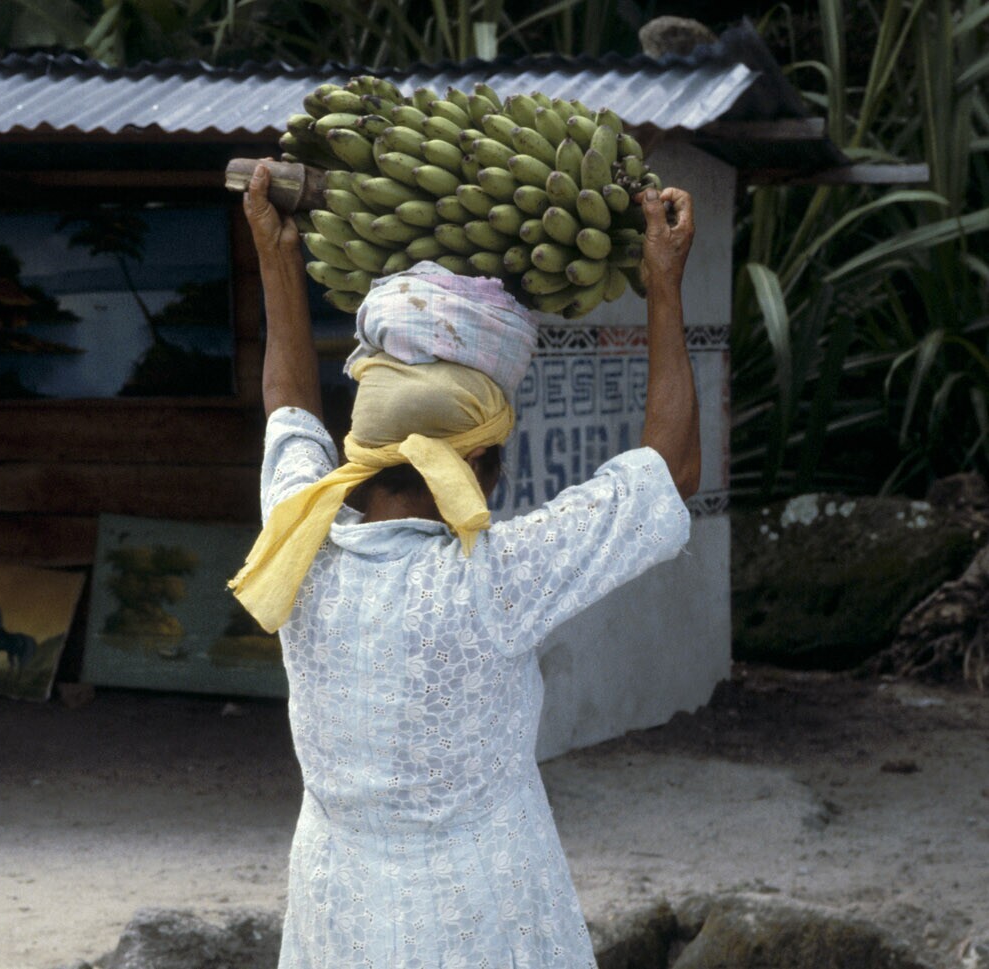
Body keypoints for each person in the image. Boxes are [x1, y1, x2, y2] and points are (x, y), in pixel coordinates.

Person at [230, 161, 699, 967]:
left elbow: (290, 410)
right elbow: (672, 472)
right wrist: (663, 281)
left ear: (364, 450)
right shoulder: (496, 577)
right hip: (485, 916)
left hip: (337, 912)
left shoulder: (299, 541)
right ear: (480, 464)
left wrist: (276, 260)